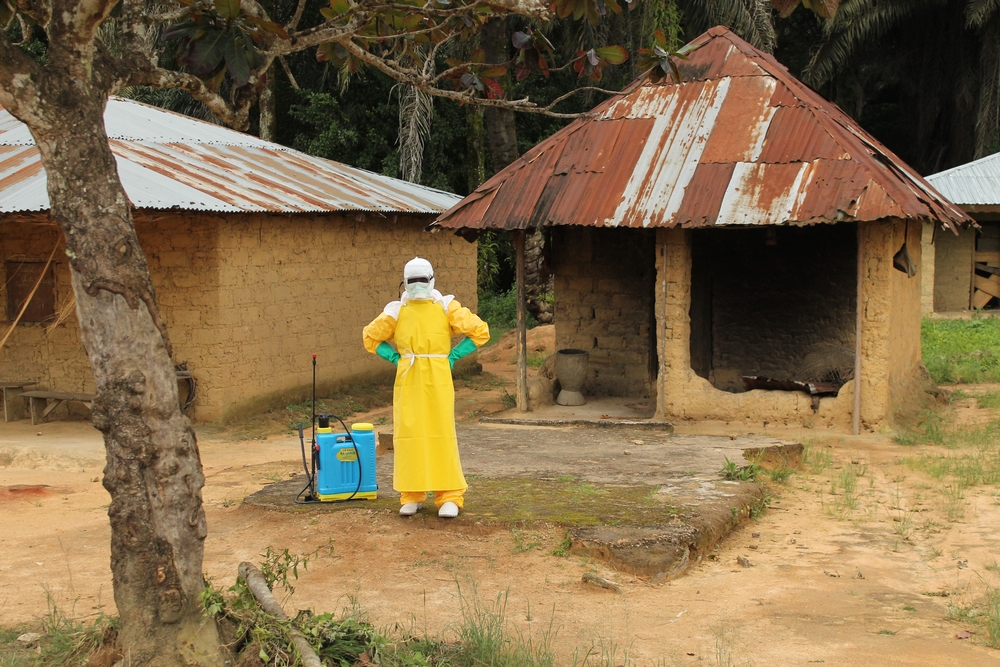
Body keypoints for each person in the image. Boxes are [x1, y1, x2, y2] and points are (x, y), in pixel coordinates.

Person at [362, 257, 490, 518]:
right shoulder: (396, 311)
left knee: (441, 433)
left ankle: (449, 496)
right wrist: (395, 358)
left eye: (421, 280)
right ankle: (411, 494)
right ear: (404, 283)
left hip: (438, 377)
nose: (418, 285)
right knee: (409, 435)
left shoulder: (446, 306)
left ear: (432, 280)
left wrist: (453, 356)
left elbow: (480, 331)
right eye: (413, 280)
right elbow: (370, 336)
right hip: (408, 378)